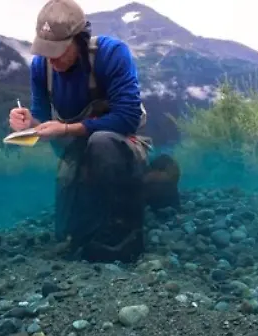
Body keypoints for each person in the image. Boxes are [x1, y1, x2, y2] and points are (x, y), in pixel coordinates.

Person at [9, 0, 152, 263]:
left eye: (59, 51)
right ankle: (88, 227)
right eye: (46, 50)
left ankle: (127, 233)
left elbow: (128, 117)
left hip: (121, 144)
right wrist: (28, 122)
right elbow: (41, 115)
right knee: (66, 230)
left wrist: (66, 128)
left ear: (80, 39)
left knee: (102, 142)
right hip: (78, 149)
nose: (52, 59)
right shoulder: (42, 67)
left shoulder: (111, 53)